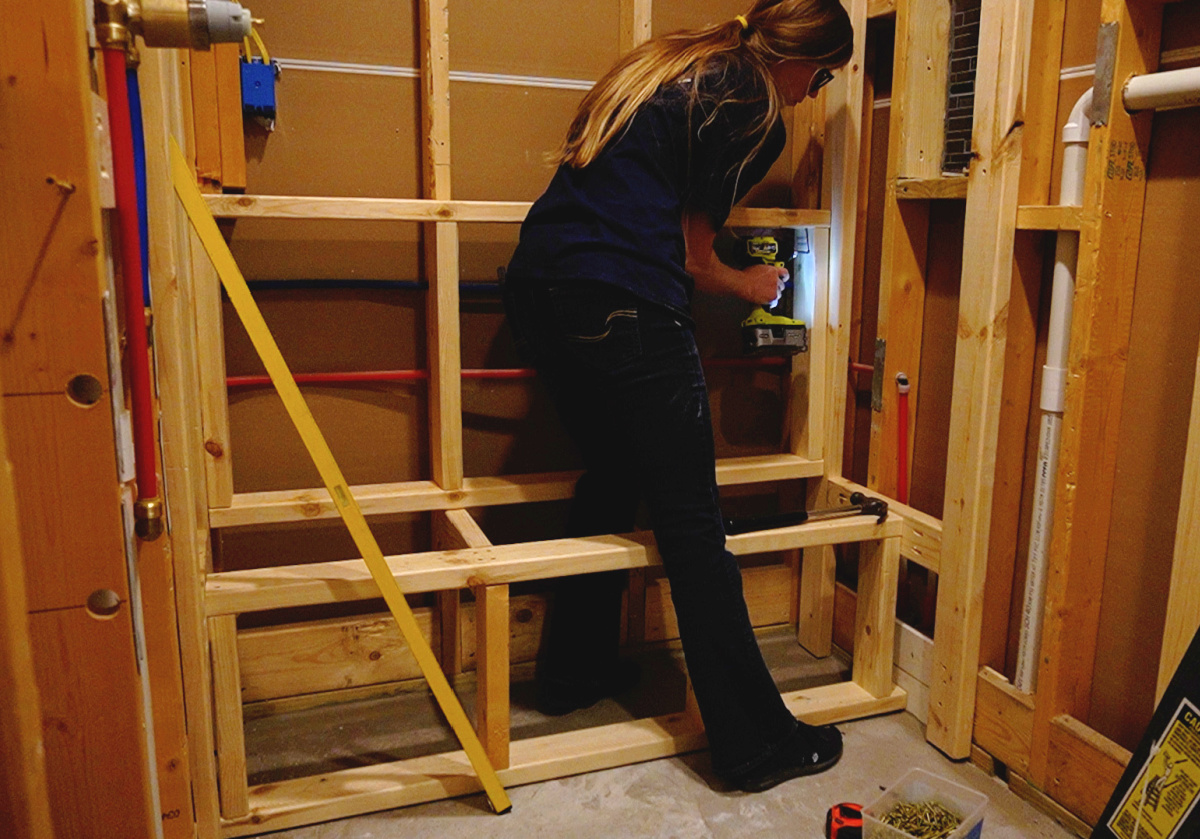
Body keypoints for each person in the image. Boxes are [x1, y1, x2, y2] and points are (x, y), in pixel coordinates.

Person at [502, 0, 854, 793]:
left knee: (613, 476)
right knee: (695, 527)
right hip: (623, 301)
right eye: (824, 75)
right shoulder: (753, 103)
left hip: (540, 290)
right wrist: (752, 282)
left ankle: (572, 675)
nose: (814, 92)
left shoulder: (677, 67)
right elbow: (694, 261)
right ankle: (755, 744)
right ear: (800, 59)